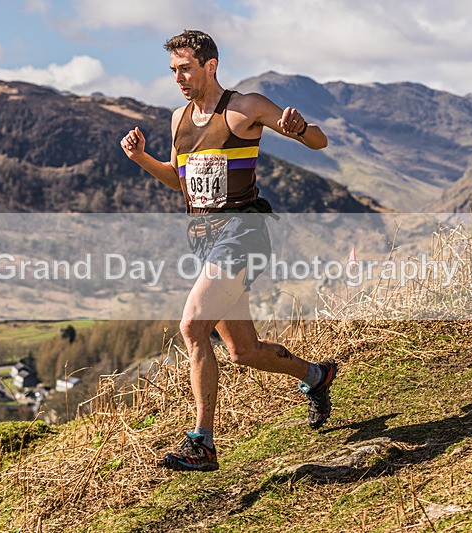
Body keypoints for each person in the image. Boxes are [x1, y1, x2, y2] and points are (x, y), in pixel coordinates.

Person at [120, 29, 337, 472]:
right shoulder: (178, 119)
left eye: (186, 69)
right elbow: (180, 181)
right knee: (243, 351)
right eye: (173, 70)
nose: (178, 78)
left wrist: (299, 129)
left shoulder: (245, 108)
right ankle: (317, 376)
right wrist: (141, 158)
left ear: (210, 66)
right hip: (204, 240)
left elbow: (319, 141)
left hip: (243, 233)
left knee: (192, 326)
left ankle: (202, 442)